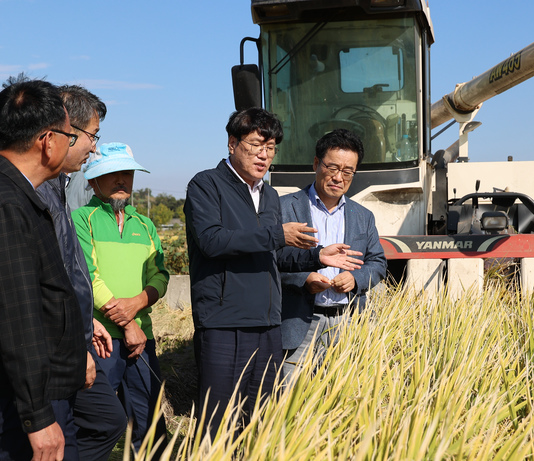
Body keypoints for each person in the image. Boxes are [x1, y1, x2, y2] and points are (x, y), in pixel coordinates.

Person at [184, 108, 364, 439]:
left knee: (259, 422)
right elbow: (212, 241)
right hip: (224, 323)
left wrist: (315, 255)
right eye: (256, 145)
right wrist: (278, 234)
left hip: (268, 324)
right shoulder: (206, 185)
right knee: (217, 423)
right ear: (232, 143)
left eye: (271, 149)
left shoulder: (268, 195)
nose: (264, 155)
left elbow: (275, 254)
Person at [0, 76, 85, 460]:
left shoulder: (13, 196)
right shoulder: (4, 205)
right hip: (17, 400)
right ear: (47, 141)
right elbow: (16, 318)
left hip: (29, 392)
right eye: (70, 136)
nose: (73, 145)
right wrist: (37, 417)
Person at [35, 85, 127, 460]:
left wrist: (88, 321)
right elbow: (41, 285)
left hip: (78, 331)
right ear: (64, 129)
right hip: (54, 348)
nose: (94, 148)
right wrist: (76, 341)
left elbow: (69, 271)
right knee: (63, 436)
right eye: (92, 136)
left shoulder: (58, 187)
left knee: (107, 422)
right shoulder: (34, 194)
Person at [72, 142, 170, 454]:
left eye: (126, 173)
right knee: (96, 421)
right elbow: (89, 277)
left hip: (142, 337)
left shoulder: (145, 224)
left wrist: (137, 304)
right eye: (112, 173)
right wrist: (127, 322)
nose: (121, 180)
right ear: (91, 180)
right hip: (100, 339)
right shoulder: (80, 220)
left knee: (148, 420)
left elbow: (161, 276)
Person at [281, 129, 386, 382]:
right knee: (288, 394)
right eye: (332, 167)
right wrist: (304, 278)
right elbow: (271, 258)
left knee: (341, 396)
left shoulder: (363, 216)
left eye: (348, 171)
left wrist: (356, 279)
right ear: (317, 164)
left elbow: (378, 263)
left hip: (348, 322)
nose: (339, 177)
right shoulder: (284, 207)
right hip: (300, 320)